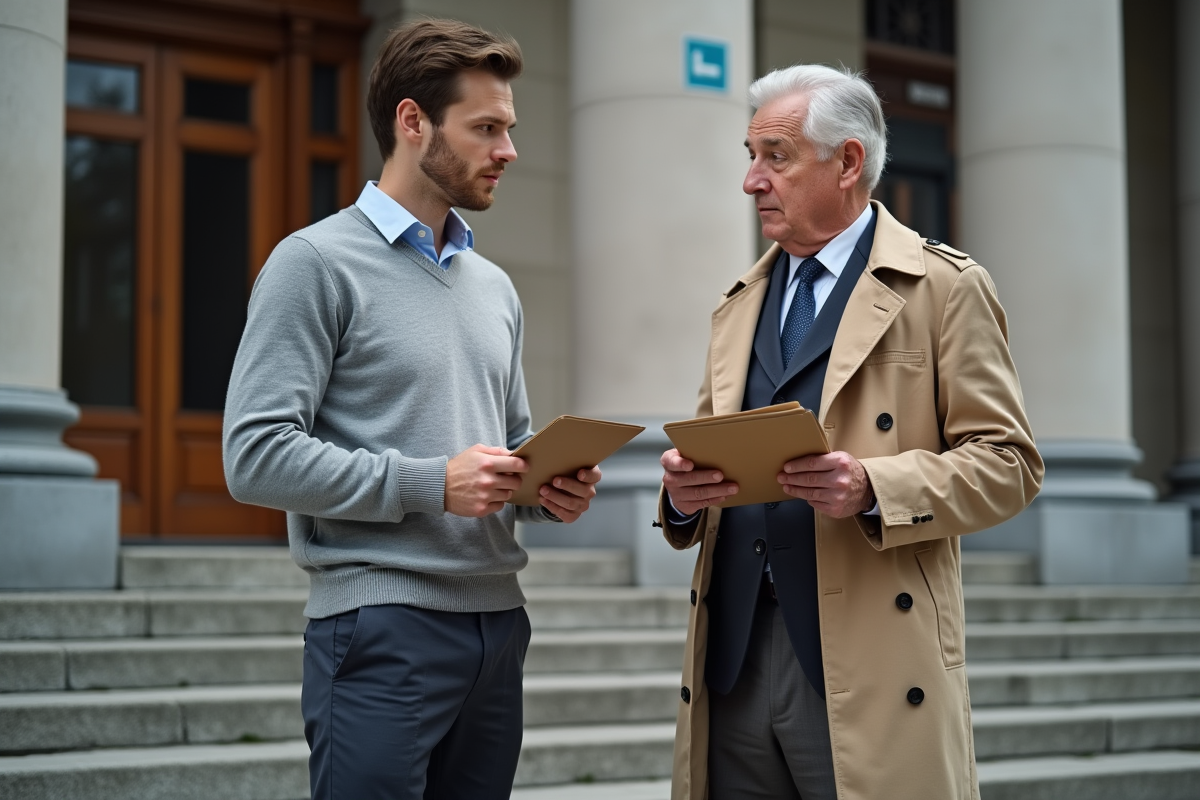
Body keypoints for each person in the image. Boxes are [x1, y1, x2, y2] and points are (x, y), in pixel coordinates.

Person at [222, 19, 601, 800]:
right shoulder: (314, 264)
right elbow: (253, 455)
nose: (509, 150)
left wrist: (545, 487)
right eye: (486, 128)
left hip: (499, 626)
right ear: (412, 122)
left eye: (510, 128)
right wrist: (431, 482)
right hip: (380, 626)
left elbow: (505, 448)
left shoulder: (494, 286)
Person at [658, 64, 1043, 800]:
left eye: (775, 157)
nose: (752, 181)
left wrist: (875, 486)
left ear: (848, 162)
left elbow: (1010, 464)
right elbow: (707, 451)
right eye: (750, 156)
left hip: (868, 664)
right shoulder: (736, 304)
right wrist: (682, 495)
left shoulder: (946, 288)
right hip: (730, 666)